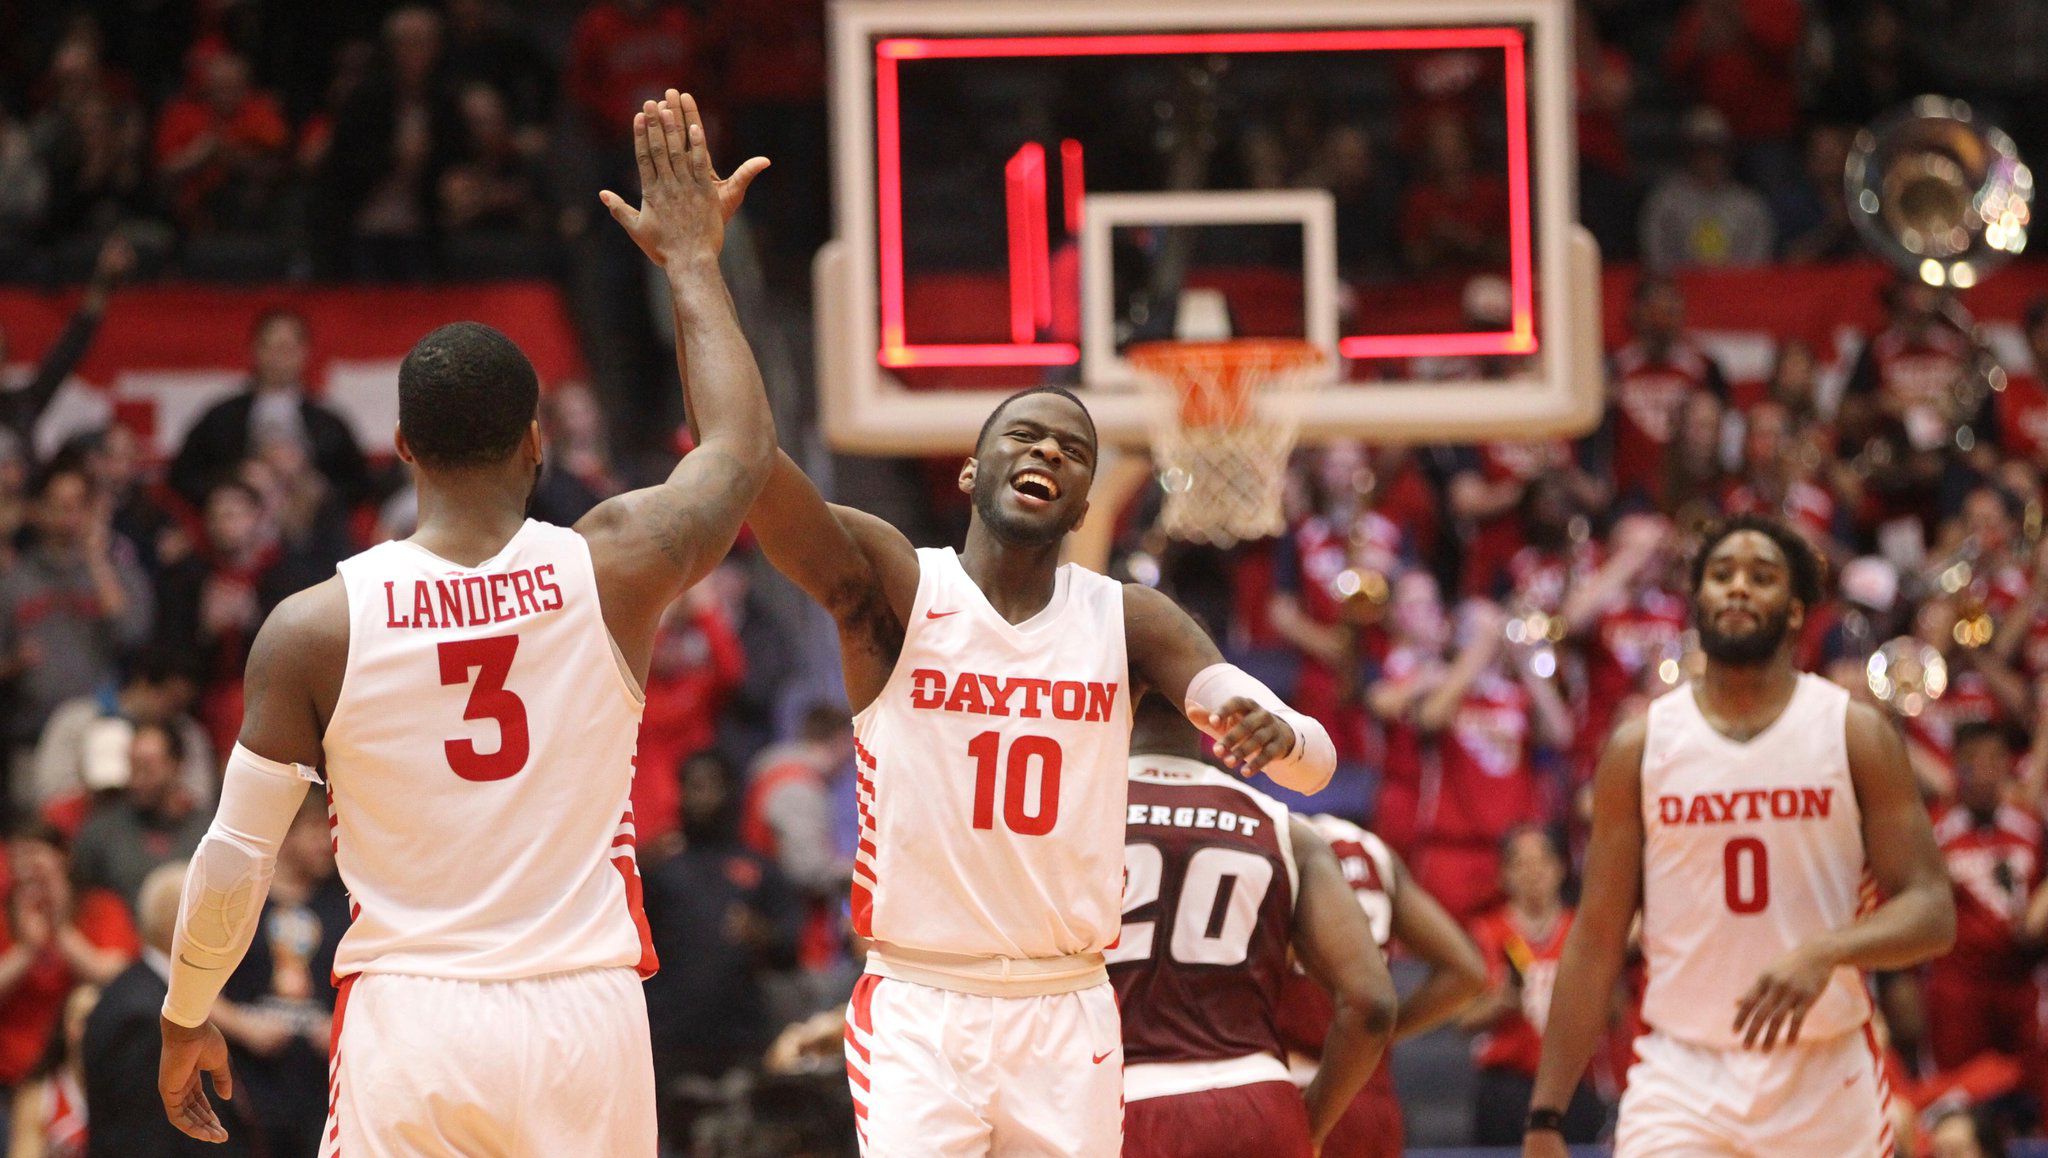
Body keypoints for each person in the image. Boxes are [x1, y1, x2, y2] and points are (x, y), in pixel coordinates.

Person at [152, 91, 773, 1154]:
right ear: (535, 442)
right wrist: (690, 263)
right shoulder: (614, 564)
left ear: (399, 445)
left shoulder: (315, 625)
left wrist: (184, 1012)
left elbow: (235, 852)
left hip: (417, 1014)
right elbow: (737, 452)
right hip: (586, 1013)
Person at [744, 379, 1337, 1150]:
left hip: (1067, 1002)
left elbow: (1312, 765)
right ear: (970, 471)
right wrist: (696, 276)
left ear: (1086, 506)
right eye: (1025, 436)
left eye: (1075, 450)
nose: (1050, 450)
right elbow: (748, 467)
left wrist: (1278, 731)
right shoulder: (904, 584)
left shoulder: (1125, 617)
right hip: (922, 998)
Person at [1524, 514, 1955, 1156]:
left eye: (1761, 577)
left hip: (1822, 1071)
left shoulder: (1853, 732)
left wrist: (1825, 951)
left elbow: (1932, 912)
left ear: (1794, 612)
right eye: (1721, 575)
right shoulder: (1642, 745)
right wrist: (1546, 1116)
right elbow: (1595, 937)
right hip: (1682, 1073)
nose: (1738, 588)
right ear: (1697, 602)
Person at [1111, 693, 1398, 1157]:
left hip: (1119, 1102)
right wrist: (1312, 1129)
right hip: (1259, 1105)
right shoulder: (1283, 827)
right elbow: (1373, 1004)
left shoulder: (1066, 813)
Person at [1273, 805, 1489, 1157]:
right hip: (1370, 1102)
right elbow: (1467, 973)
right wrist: (1377, 1035)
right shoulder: (1371, 850)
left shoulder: (1265, 841)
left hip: (1295, 1098)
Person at [83, 862, 250, 1157]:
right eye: (214, 917)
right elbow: (143, 1136)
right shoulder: (142, 1014)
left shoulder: (149, 993)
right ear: (187, 925)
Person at [1462, 826, 1606, 1145]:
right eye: (1520, 863)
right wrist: (1505, 1001)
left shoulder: (1581, 931)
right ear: (1504, 874)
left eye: (1542, 861)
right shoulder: (1485, 932)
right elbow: (1463, 1019)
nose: (1532, 872)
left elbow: (1614, 1011)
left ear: (1561, 868)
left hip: (1572, 1083)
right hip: (1507, 1084)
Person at [164, 310, 372, 514]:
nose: (277, 358)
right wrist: (235, 477)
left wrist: (318, 487)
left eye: (285, 348)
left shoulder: (329, 423)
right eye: (268, 347)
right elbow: (182, 477)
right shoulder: (222, 417)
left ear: (304, 353)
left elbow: (361, 485)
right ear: (254, 350)